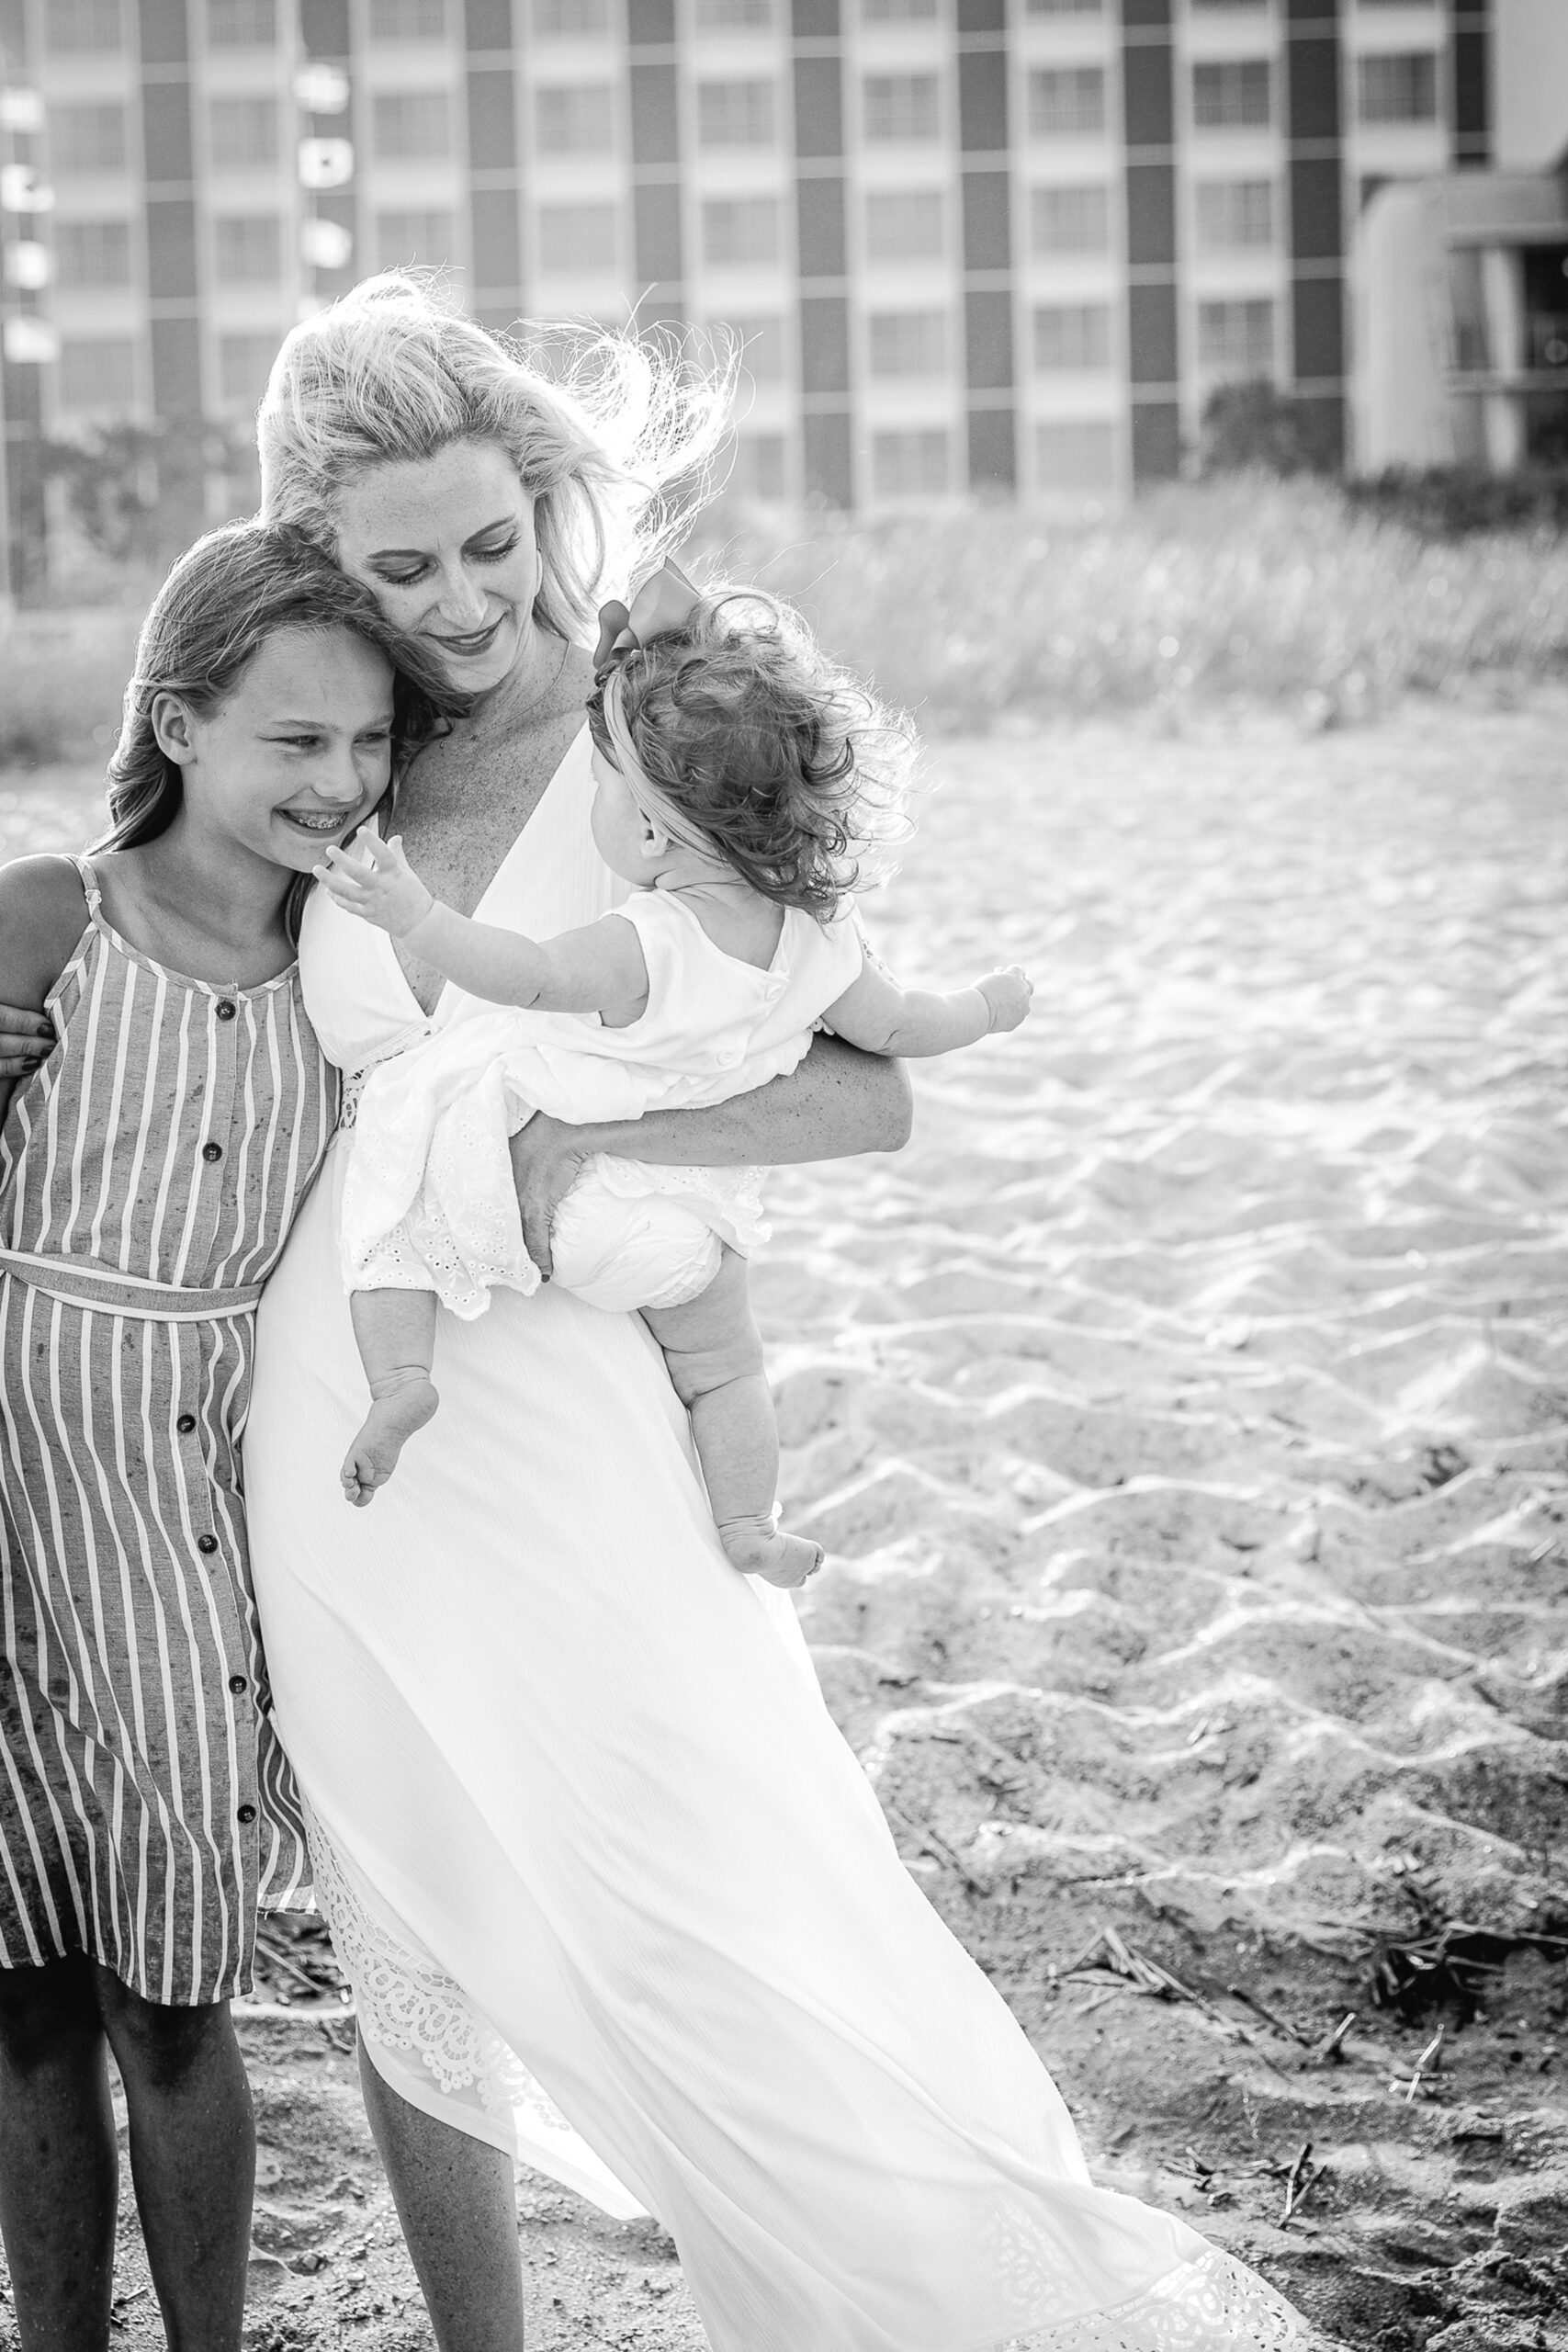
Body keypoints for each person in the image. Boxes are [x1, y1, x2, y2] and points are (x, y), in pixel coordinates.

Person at [241, 275, 1313, 2350]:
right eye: (402, 566)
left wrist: (567, 1149)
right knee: (417, 1902)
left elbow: (869, 1084)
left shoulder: (662, 718)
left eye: (491, 538)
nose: (465, 600)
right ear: (322, 562)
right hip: (341, 1423)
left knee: (693, 1891)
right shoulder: (331, 742)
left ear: (549, 494)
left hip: (576, 1419)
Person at [0, 524, 447, 2349]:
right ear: (175, 724)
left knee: (174, 1994)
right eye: (294, 741)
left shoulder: (351, 975)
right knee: (21, 1987)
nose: (339, 783)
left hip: (186, 1531)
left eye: (366, 743)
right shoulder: (49, 913)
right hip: (11, 1511)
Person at [313, 564, 1034, 1588]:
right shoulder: (824, 942)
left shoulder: (646, 941)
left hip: (567, 1199)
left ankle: (399, 1378)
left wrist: (418, 918)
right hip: (694, 1220)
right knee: (726, 1370)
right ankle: (748, 1523)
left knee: (394, 1193)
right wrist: (991, 1008)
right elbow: (909, 1025)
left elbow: (526, 974)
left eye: (603, 787)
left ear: (648, 832)